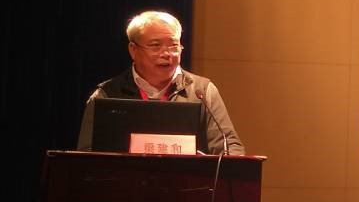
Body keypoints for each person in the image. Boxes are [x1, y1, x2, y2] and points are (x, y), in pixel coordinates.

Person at [76, 9, 246, 155]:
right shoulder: (106, 94)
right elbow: (86, 155)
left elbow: (229, 146)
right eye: (155, 45)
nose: (167, 54)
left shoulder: (202, 91)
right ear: (133, 50)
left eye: (173, 45)